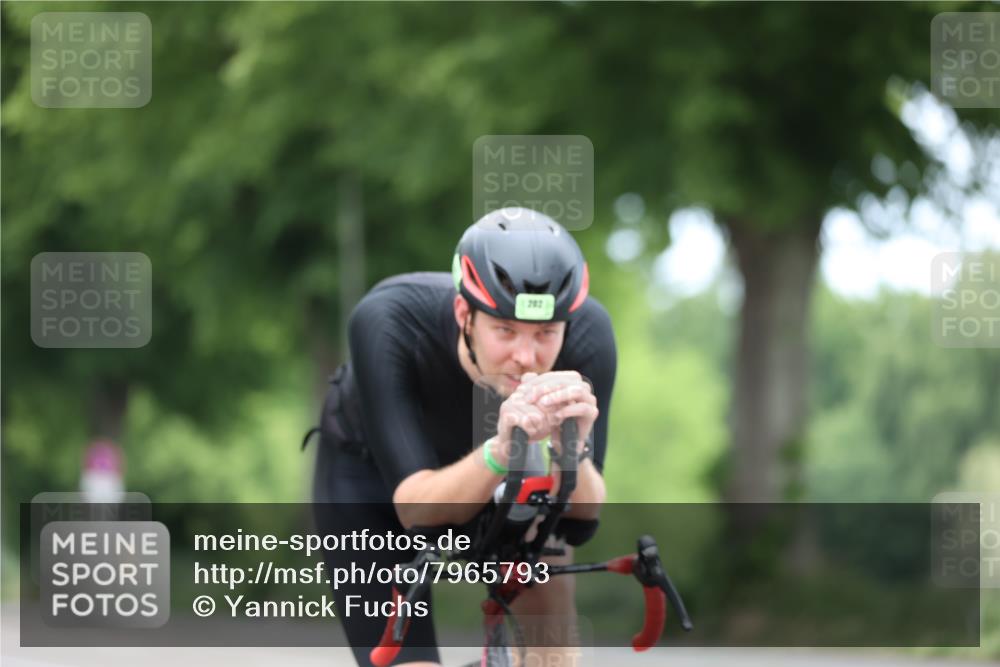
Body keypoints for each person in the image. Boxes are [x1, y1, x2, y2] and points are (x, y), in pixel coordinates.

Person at [311, 207, 617, 666]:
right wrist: (497, 450)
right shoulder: (388, 319)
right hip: (370, 481)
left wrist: (569, 450)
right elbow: (415, 508)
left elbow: (583, 514)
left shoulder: (589, 336)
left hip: (505, 476)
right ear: (464, 314)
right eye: (505, 330)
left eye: (546, 334)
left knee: (551, 658)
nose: (526, 357)